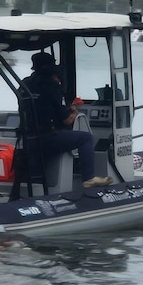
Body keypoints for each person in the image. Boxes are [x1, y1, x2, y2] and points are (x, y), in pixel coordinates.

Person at [20, 52, 112, 189]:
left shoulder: (25, 84)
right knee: (86, 137)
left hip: (28, 139)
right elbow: (67, 121)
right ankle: (89, 178)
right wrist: (74, 111)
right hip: (47, 138)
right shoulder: (52, 86)